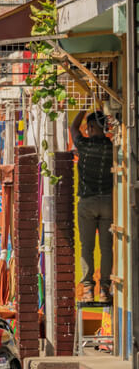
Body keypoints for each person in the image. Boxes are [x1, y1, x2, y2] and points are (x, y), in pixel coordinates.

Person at [70, 110, 114, 302]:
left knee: (86, 247)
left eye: (88, 127)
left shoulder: (84, 145)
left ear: (91, 127)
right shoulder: (111, 146)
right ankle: (105, 289)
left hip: (87, 203)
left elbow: (72, 127)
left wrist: (83, 108)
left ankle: (88, 290)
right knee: (106, 247)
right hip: (107, 202)